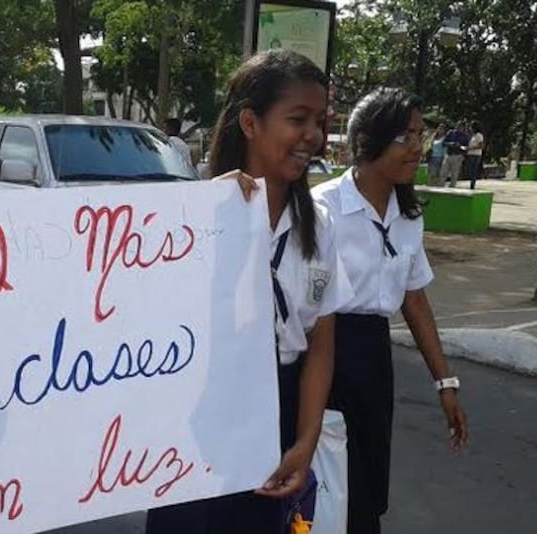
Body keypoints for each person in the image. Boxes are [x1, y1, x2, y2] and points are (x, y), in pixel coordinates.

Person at [147, 48, 353, 534]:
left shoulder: (318, 226)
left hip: (279, 417)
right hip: (198, 416)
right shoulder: (190, 215)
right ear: (249, 122)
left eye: (319, 122)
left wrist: (304, 442)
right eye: (297, 119)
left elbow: (321, 344)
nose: (313, 137)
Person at [312, 87, 469, 534]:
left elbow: (414, 298)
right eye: (405, 136)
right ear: (370, 140)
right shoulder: (324, 209)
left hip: (373, 360)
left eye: (420, 134)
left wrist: (446, 382)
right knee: (323, 475)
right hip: (323, 353)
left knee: (367, 484)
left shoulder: (408, 216)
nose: (418, 148)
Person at [440, 121, 469, 187]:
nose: (459, 128)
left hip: (458, 155)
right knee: (443, 173)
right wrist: (450, 144)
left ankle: (452, 188)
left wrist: (460, 146)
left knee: (454, 174)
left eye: (461, 127)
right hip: (448, 154)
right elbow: (443, 143)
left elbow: (466, 148)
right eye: (458, 126)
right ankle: (441, 187)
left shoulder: (465, 136)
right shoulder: (451, 133)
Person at [465, 120, 484, 190]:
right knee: (470, 170)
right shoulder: (473, 136)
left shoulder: (479, 135)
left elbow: (481, 146)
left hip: (476, 155)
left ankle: (472, 184)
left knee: (473, 170)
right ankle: (471, 183)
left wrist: (471, 148)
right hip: (470, 154)